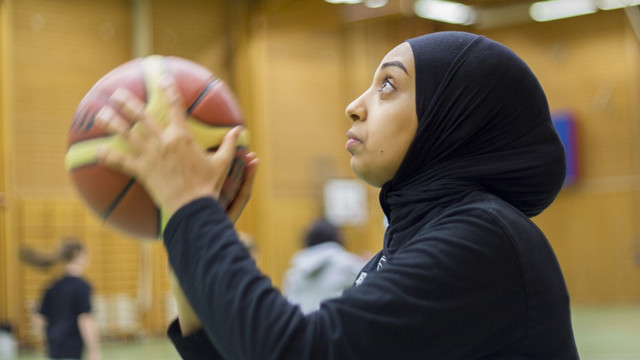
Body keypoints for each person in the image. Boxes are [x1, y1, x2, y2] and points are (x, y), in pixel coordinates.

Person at [95, 31, 580, 359]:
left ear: (455, 120)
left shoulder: (484, 241)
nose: (354, 106)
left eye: (388, 85)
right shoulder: (405, 250)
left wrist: (190, 205)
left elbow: (295, 350)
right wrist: (197, 230)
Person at [21, 238, 101, 360]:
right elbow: (85, 319)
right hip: (72, 349)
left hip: (54, 349)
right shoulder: (82, 286)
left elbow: (39, 320)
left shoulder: (52, 286)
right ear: (77, 254)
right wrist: (94, 351)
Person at [282, 218, 365, 314]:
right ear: (337, 238)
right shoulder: (347, 263)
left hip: (304, 327)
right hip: (337, 326)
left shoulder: (294, 272)